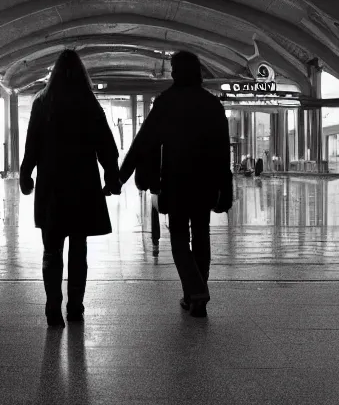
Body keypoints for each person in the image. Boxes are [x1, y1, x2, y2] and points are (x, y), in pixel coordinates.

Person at [119, 51, 231, 318]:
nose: (170, 73)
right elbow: (223, 151)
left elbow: (143, 142)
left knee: (179, 237)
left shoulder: (166, 102)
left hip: (176, 181)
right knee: (201, 236)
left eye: (172, 68)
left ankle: (195, 290)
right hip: (205, 183)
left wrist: (121, 176)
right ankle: (195, 294)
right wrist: (225, 188)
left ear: (178, 72)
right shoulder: (212, 104)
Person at [19, 50, 121, 327]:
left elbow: (32, 147)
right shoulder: (89, 103)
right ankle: (75, 306)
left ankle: (53, 306)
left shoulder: (42, 102)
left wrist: (26, 175)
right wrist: (112, 177)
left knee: (51, 249)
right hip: (82, 186)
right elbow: (106, 146)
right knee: (78, 248)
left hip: (51, 186)